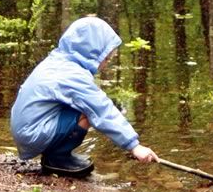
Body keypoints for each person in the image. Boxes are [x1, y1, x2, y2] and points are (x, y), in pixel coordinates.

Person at [10, 16, 158, 177]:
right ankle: (57, 159)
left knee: (79, 107)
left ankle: (55, 155)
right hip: (32, 133)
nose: (106, 63)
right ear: (91, 52)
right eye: (106, 58)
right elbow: (101, 109)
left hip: (27, 129)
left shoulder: (59, 61)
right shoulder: (72, 75)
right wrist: (134, 146)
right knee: (87, 112)